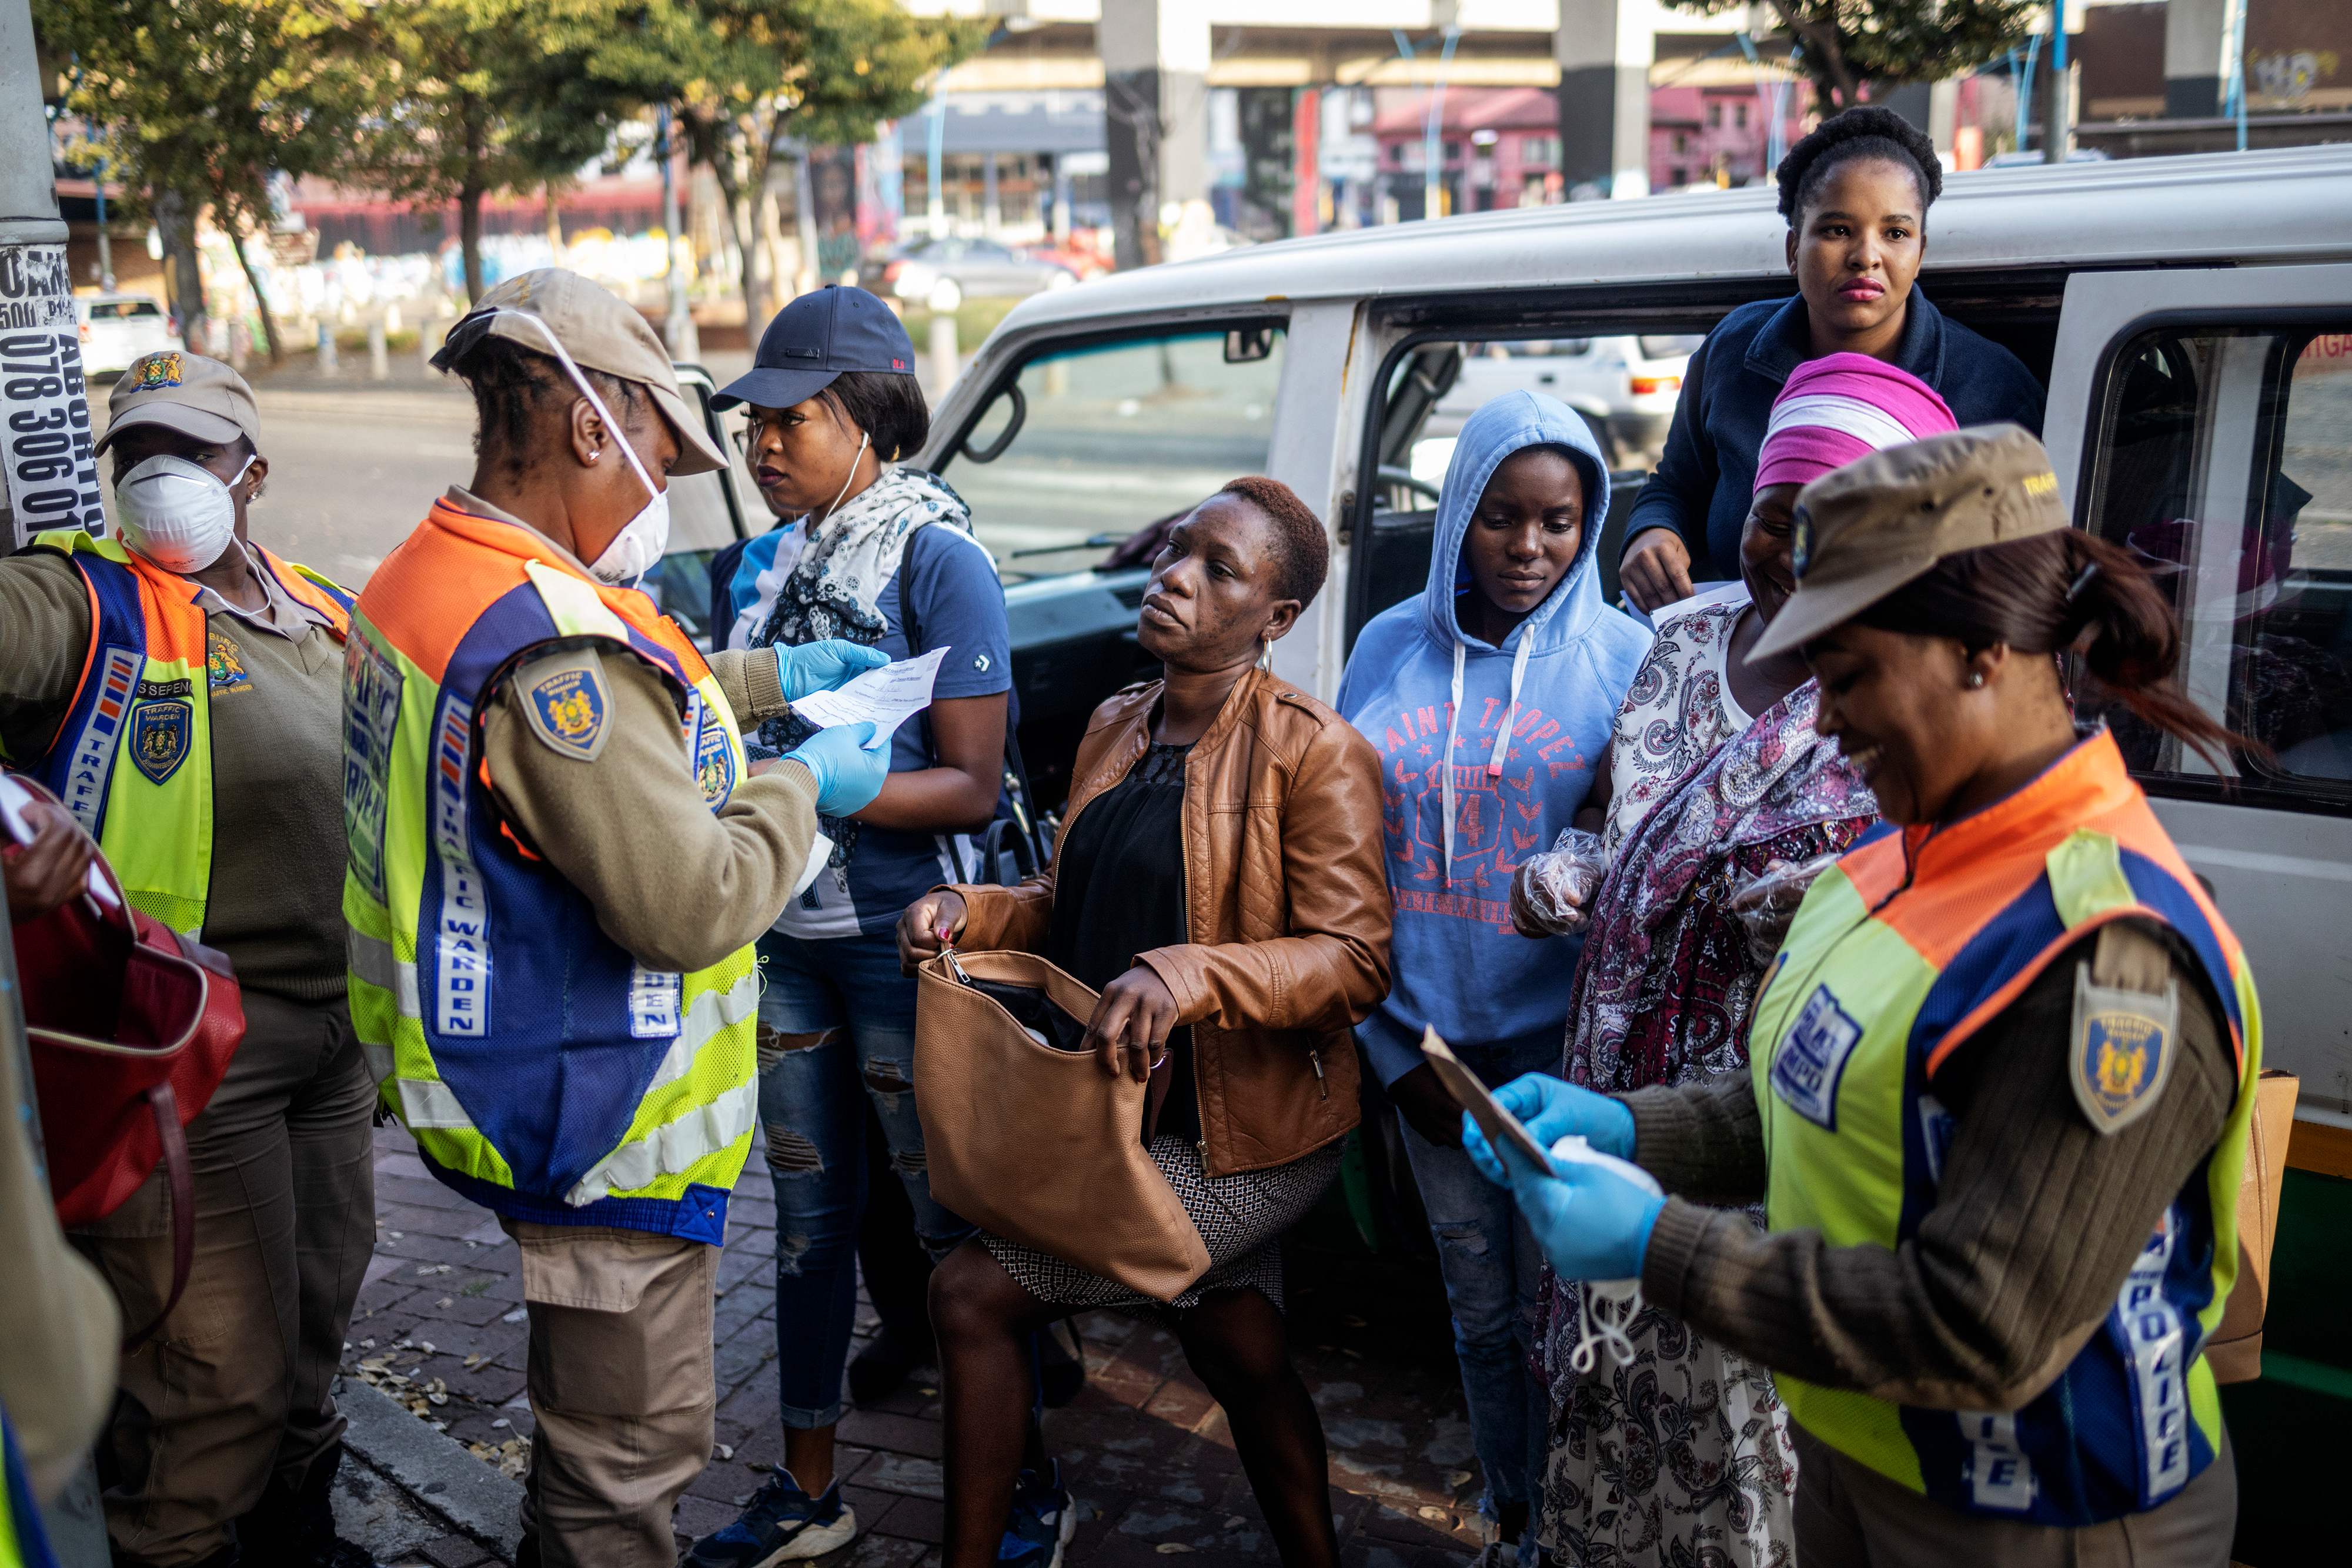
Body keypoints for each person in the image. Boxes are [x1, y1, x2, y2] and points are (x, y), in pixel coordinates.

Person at [1472, 425, 2261, 1566]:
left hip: (2031, 1511)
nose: (1825, 722)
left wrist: (1654, 1242)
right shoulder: (1896, 856)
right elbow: (1816, 1088)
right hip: (1858, 1453)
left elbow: (1978, 1322)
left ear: (1980, 651)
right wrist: (1629, 1127)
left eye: (1845, 678)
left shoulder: (2103, 949)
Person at [343, 270, 890, 1568]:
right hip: (597, 1115)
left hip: (504, 1077)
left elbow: (623, 698)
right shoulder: (550, 649)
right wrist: (804, 781)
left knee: (596, 1441)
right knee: (618, 1475)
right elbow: (692, 900)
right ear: (593, 427)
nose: (664, 490)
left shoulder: (436, 571)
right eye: (658, 451)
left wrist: (763, 682)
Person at [1507, 352, 1956, 1566]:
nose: (1783, 558)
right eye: (1770, 518)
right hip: (1620, 1083)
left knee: (1737, 1453)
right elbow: (1625, 818)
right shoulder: (1682, 633)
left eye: (1824, 532)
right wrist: (1573, 868)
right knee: (1602, 1409)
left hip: (1762, 1124)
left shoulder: (1894, 707)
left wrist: (1812, 910)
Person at [900, 476, 1391, 1568]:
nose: (1174, 575)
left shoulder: (1315, 753)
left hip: (1244, 1133)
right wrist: (970, 909)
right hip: (1112, 1107)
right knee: (1237, 1340)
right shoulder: (1118, 721)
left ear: (1277, 618)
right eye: (1180, 549)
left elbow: (1356, 960)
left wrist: (1193, 976)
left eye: (1219, 568)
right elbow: (1066, 892)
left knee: (971, 1295)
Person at [0, 352, 381, 1568]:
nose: (159, 473)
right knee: (215, 1371)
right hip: (193, 1047)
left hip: (337, 1038)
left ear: (254, 471)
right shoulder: (83, 602)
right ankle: (175, 1541)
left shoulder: (321, 606)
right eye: (135, 453)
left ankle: (295, 1534)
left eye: (192, 448)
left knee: (318, 1322)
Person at [684, 283, 1018, 1564]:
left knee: (948, 1230)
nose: (763, 445)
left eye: (794, 418)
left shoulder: (938, 559)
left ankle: (1023, 1480)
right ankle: (810, 1487)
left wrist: (838, 786)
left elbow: (973, 784)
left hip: (896, 942)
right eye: (752, 424)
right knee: (810, 1219)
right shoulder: (762, 566)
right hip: (783, 937)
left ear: (869, 415)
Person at [1335, 392, 1648, 1563]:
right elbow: (1339, 862)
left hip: (1568, 1063)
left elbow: (1638, 860)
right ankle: (1514, 1510)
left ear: (1589, 520)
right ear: (1457, 512)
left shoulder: (1627, 658)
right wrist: (1385, 1050)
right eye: (1501, 518)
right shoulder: (1383, 648)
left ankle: (1575, 1521)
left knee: (1566, 1315)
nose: (1527, 548)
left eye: (1557, 521)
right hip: (1427, 1058)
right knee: (1475, 1312)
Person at [1617, 106, 2045, 612]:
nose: (1867, 255)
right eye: (1838, 230)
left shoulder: (1992, 387)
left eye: (1896, 233)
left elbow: (2026, 568)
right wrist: (1652, 532)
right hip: (1738, 665)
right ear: (1794, 248)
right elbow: (1676, 484)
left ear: (1921, 252)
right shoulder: (1735, 351)